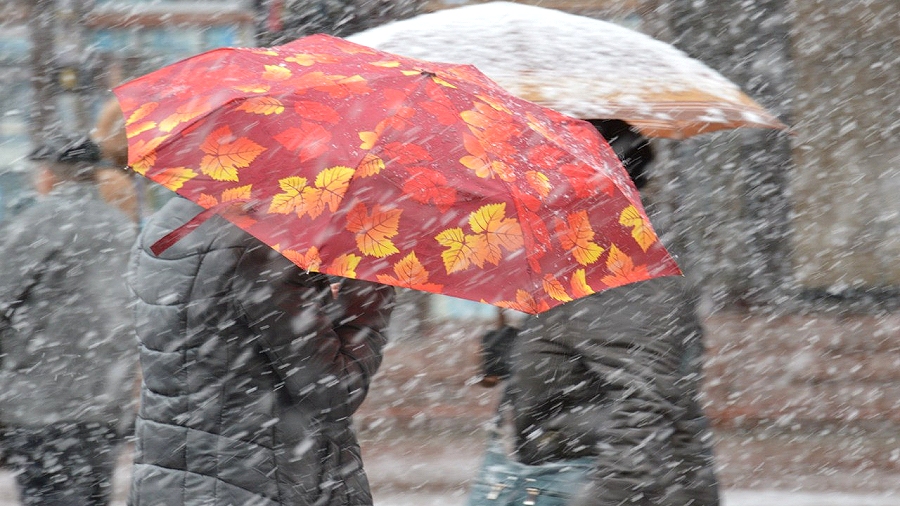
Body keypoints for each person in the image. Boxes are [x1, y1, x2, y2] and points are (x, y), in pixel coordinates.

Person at [479, 120, 720, 506]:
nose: (526, 184)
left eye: (539, 171)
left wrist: (605, 496)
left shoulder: (620, 264)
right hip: (569, 474)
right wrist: (525, 355)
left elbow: (645, 405)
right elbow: (596, 359)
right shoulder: (589, 257)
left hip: (596, 483)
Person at [126, 195, 395, 505]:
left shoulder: (166, 228)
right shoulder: (260, 245)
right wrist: (369, 294)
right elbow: (333, 392)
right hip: (260, 481)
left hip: (172, 476)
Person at [0, 136, 138, 505]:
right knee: (91, 494)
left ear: (46, 175)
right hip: (105, 401)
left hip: (41, 402)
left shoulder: (36, 225)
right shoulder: (122, 229)